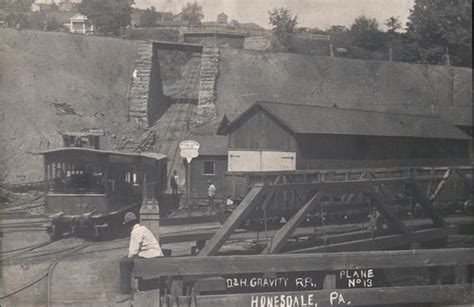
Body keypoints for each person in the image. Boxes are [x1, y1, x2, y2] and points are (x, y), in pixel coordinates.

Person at [119, 212, 163, 294]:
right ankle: (132, 286)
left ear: (129, 225)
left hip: (151, 256)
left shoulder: (135, 232)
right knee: (128, 259)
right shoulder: (143, 228)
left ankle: (125, 289)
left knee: (124, 263)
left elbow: (133, 251)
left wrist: (127, 257)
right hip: (155, 254)